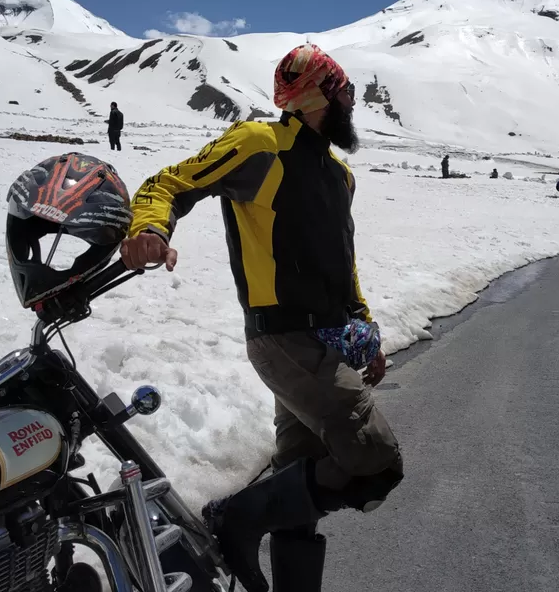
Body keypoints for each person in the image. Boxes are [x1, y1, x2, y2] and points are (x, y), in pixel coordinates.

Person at [119, 43, 403, 592]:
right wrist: (151, 228)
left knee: (302, 489)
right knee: (376, 462)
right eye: (345, 91)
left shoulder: (339, 175)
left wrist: (368, 337)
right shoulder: (259, 145)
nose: (352, 101)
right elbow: (170, 182)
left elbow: (343, 268)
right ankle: (237, 517)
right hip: (285, 340)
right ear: (322, 95)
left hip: (330, 339)